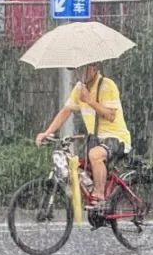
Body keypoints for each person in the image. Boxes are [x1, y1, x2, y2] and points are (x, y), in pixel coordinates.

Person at [35, 61, 131, 209]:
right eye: (77, 70)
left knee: (95, 155)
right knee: (78, 169)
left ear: (94, 68)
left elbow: (110, 115)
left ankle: (100, 197)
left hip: (116, 138)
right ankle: (94, 200)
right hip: (95, 139)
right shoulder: (79, 88)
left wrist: (89, 100)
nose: (79, 74)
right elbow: (65, 111)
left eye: (83, 69)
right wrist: (47, 132)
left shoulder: (107, 85)